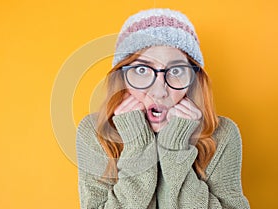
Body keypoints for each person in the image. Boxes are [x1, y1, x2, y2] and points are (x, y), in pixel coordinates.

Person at [76, 8, 250, 208]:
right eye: (142, 70)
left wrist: (175, 148)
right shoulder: (93, 132)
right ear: (122, 77)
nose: (160, 91)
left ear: (193, 80)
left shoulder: (222, 134)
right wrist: (137, 144)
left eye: (175, 70)